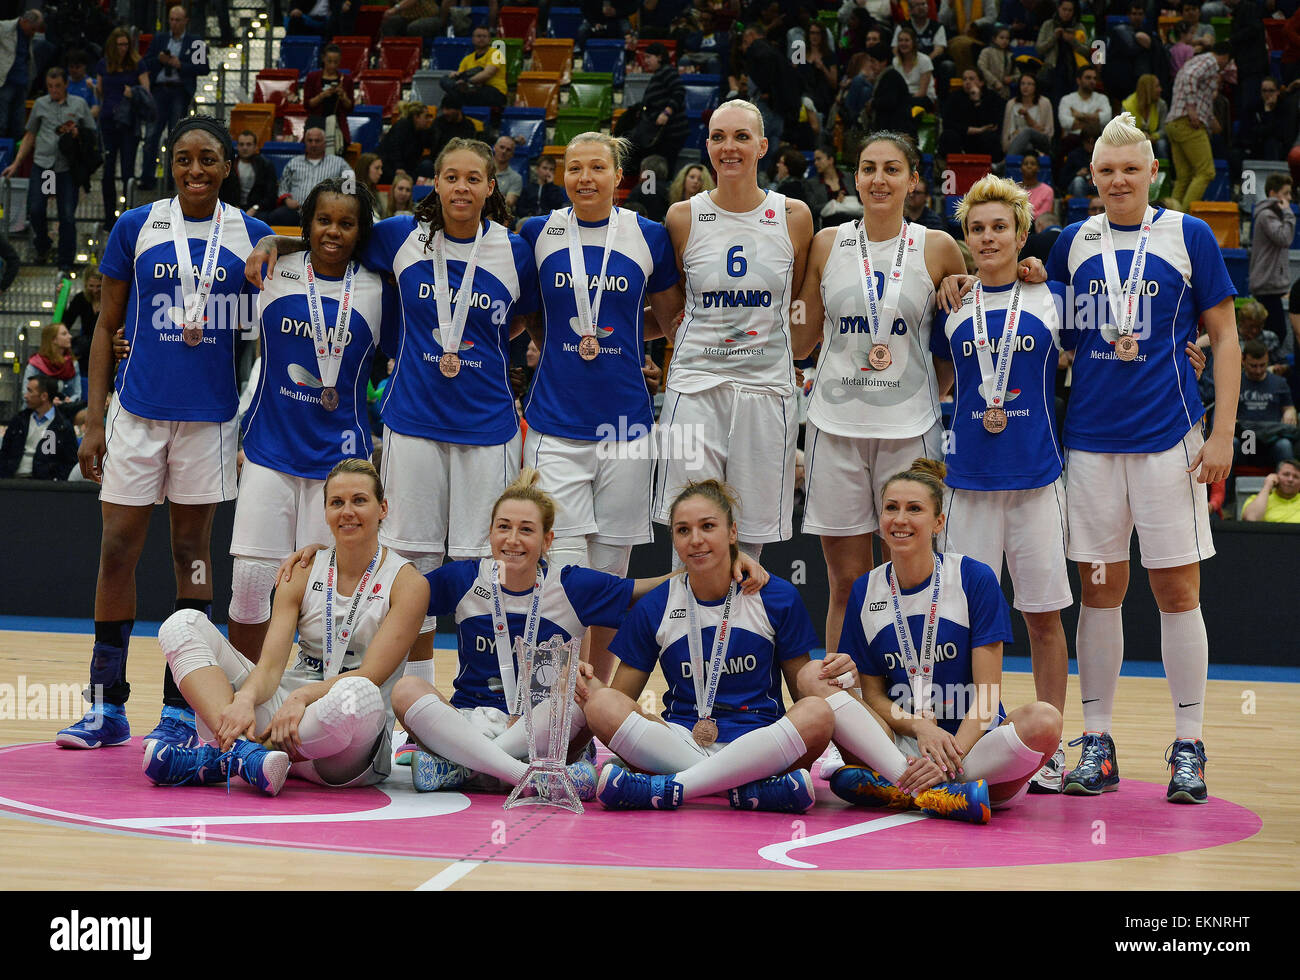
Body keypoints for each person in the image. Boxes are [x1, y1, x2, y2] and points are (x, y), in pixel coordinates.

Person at [246, 136, 539, 742]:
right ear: (435, 182)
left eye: (473, 179)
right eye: (450, 177)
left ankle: (491, 697)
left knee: (488, 568)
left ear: (491, 187)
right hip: (411, 425)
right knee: (419, 569)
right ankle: (414, 704)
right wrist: (278, 241)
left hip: (488, 428)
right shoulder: (402, 234)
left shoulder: (515, 249)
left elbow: (525, 317)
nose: (461, 188)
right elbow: (334, 242)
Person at [1042, 112, 1240, 805]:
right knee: (1100, 592)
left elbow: (1225, 337)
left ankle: (1189, 747)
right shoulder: (1072, 240)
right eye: (1106, 171)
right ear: (1091, 178)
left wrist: (1222, 436)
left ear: (1153, 172)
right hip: (1092, 448)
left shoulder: (1188, 234)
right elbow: (1049, 334)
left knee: (1177, 592)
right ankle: (1096, 743)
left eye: (1131, 168)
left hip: (1171, 446)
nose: (1119, 180)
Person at [59, 116, 273, 752]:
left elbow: (300, 259)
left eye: (208, 158)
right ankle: (106, 706)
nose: (195, 170)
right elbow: (106, 327)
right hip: (138, 416)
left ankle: (183, 708)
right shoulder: (136, 226)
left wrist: (278, 249)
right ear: (169, 164)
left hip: (207, 422)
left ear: (228, 164)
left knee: (192, 555)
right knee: (117, 550)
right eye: (183, 159)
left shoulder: (251, 233)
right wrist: (95, 418)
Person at [379, 470, 766, 793]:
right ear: (490, 534)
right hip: (472, 721)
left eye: (526, 529)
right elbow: (394, 590)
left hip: (542, 727)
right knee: (406, 690)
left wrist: (727, 558)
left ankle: (465, 767)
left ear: (547, 540)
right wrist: (320, 555)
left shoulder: (572, 585)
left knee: (583, 693)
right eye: (504, 528)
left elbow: (649, 590)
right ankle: (521, 775)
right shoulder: (463, 578)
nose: (513, 539)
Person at [790, 131, 967, 700]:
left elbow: (954, 345)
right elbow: (801, 341)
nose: (879, 180)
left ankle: (923, 701)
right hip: (835, 430)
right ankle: (844, 712)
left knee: (917, 579)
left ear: (914, 179)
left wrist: (917, 394)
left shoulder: (938, 246)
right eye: (868, 168)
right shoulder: (826, 242)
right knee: (847, 582)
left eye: (893, 169)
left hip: (910, 432)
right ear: (855, 177)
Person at [800, 458, 1063, 821]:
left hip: (971, 744)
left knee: (1045, 720)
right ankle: (939, 794)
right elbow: (873, 694)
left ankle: (910, 786)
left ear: (938, 522)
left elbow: (987, 696)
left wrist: (948, 758)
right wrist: (920, 726)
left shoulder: (973, 578)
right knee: (812, 675)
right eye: (891, 508)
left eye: (915, 509)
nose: (900, 519)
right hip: (900, 740)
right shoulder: (867, 588)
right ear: (880, 520)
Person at [143, 460, 428, 795]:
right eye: (336, 502)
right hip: (286, 716)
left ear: (382, 509)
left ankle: (225, 757)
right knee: (182, 623)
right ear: (324, 512)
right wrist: (245, 700)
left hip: (347, 741)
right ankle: (247, 755)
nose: (347, 511)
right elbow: (270, 667)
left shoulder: (408, 583)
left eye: (359, 500)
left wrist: (301, 697)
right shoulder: (303, 569)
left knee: (359, 694)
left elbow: (372, 675)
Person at [517, 132, 684, 683]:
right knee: (560, 579)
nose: (584, 178)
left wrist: (631, 350)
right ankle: (551, 710)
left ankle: (595, 715)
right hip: (555, 427)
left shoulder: (648, 235)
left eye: (596, 168)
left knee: (612, 579)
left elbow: (666, 319)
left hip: (626, 431)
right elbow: (535, 316)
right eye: (573, 168)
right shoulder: (537, 233)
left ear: (618, 177)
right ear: (562, 176)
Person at [217, 178, 391, 662]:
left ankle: (316, 695)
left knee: (326, 596)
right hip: (270, 452)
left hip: (340, 468)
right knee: (251, 586)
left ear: (361, 231)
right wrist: (272, 241)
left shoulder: (379, 288)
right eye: (323, 220)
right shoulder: (273, 269)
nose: (333, 231)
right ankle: (243, 702)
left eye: (346, 223)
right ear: (306, 224)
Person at [582, 478, 834, 812]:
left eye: (708, 526)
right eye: (683, 530)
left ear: (732, 532)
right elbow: (621, 699)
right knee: (600, 704)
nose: (696, 539)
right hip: (679, 739)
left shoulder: (776, 596)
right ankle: (744, 791)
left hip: (757, 743)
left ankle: (674, 788)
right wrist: (586, 685)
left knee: (818, 713)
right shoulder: (656, 606)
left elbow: (804, 694)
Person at [653, 99, 815, 563]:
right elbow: (678, 305)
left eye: (742, 137)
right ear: (706, 146)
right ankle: (685, 632)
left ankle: (737, 635)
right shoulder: (682, 216)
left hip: (765, 388)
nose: (730, 147)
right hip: (696, 386)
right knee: (691, 528)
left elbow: (797, 303)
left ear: (763, 146)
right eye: (719, 137)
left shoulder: (794, 215)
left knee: (751, 535)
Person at [2, 67, 96, 275]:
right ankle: (43, 245)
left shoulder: (79, 105)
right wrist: (16, 163)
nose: (54, 90)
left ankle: (65, 261)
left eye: (58, 86)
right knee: (36, 209)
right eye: (50, 86)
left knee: (67, 216)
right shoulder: (40, 104)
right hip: (45, 168)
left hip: (66, 169)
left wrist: (78, 133)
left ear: (65, 85)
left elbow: (92, 133)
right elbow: (30, 135)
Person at [140, 6, 209, 193]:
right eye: (171, 19)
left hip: (179, 90)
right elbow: (145, 63)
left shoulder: (195, 42)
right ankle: (147, 178)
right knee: (151, 135)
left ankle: (174, 179)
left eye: (178, 20)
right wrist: (161, 60)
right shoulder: (159, 39)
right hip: (159, 91)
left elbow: (203, 67)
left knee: (176, 137)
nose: (174, 23)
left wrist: (180, 65)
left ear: (186, 21)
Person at [1165, 43, 1232, 211]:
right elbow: (1190, 77)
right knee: (1206, 172)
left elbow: (1202, 98)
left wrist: (1211, 121)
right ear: (1225, 57)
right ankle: (1184, 219)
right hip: (1188, 123)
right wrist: (1192, 109)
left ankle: (1170, 220)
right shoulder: (1211, 62)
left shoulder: (1195, 61)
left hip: (1174, 123)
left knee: (1184, 177)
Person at [265, 125, 350, 226]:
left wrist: (339, 202)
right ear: (305, 142)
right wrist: (287, 200)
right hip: (296, 211)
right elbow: (283, 186)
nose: (313, 144)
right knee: (275, 217)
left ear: (325, 143)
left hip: (328, 211)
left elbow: (350, 186)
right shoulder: (294, 162)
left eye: (317, 141)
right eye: (310, 140)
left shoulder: (339, 163)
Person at [625, 42, 688, 174]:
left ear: (659, 57)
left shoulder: (668, 71)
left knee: (663, 170)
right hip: (661, 134)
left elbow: (679, 92)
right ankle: (651, 191)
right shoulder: (659, 74)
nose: (645, 61)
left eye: (648, 57)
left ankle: (658, 192)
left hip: (671, 133)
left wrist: (666, 112)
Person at [1248, 175, 1296, 345]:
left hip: (1270, 285)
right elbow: (1284, 238)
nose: (1289, 198)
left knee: (1275, 334)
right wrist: (1289, 214)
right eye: (1286, 193)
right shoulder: (1267, 215)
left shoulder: (1272, 214)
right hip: (1266, 285)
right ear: (1273, 193)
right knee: (1276, 334)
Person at [0, 376, 78, 479]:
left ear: (44, 396)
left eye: (30, 391)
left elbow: (70, 463)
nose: (25, 396)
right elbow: (4, 452)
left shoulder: (63, 428)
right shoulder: (19, 420)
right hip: (12, 481)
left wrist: (55, 482)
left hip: (43, 486)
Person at [1235, 340, 1297, 468]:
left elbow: (1289, 407)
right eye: (1253, 366)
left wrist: (1290, 412)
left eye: (1262, 365)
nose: (1258, 370)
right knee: (1231, 444)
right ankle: (1224, 489)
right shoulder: (1235, 382)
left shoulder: (1279, 382)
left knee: (1284, 445)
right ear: (1243, 360)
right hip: (1246, 438)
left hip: (1271, 439)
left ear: (1268, 360)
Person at [940, 67, 1005, 159]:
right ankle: (951, 167)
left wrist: (977, 101)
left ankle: (992, 168)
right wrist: (974, 130)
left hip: (983, 138)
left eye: (971, 79)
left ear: (981, 82)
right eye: (964, 79)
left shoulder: (992, 97)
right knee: (948, 136)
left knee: (990, 138)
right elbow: (947, 123)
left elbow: (992, 124)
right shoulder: (954, 97)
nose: (967, 82)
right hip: (962, 136)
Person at [302, 44, 355, 155]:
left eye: (335, 62)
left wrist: (343, 96)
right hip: (316, 122)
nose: (332, 65)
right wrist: (322, 95)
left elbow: (350, 107)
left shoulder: (346, 80)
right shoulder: (312, 77)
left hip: (337, 125)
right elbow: (307, 104)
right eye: (329, 61)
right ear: (323, 59)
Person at [0, 11, 44, 140]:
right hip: (5, 83)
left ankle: (14, 157)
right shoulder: (3, 28)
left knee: (18, 126)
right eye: (32, 29)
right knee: (1, 123)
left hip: (22, 84)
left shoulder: (28, 35)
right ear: (24, 21)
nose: (33, 33)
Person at [442, 26, 507, 109]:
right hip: (471, 90)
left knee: (454, 96)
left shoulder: (496, 53)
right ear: (472, 39)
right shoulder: (467, 59)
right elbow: (460, 77)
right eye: (479, 36)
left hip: (494, 91)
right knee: (444, 80)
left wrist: (467, 82)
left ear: (490, 40)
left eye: (485, 36)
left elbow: (487, 74)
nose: (482, 39)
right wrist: (455, 75)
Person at [219, 130, 278, 218]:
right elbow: (224, 191)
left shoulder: (266, 165)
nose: (245, 148)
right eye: (241, 144)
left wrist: (255, 208)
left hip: (258, 209)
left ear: (255, 147)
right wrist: (234, 207)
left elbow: (271, 194)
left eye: (248, 144)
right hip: (233, 207)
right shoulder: (229, 166)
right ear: (237, 146)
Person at [24, 322, 82, 407]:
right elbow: (26, 392)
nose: (70, 336)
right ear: (53, 339)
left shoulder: (73, 364)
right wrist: (49, 401)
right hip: (39, 407)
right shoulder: (36, 363)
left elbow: (77, 393)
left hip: (65, 408)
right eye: (64, 334)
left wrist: (68, 401)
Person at [377, 101, 437, 183]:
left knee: (428, 166)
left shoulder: (421, 131)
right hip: (389, 166)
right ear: (416, 117)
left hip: (408, 168)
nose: (428, 120)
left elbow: (430, 145)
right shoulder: (402, 125)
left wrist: (431, 130)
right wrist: (399, 168)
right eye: (425, 117)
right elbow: (394, 149)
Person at [1002, 71, 1054, 158]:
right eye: (1022, 84)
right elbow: (1008, 131)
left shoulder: (1045, 103)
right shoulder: (1011, 104)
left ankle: (1004, 164)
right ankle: (1006, 165)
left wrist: (1027, 117)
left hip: (1041, 142)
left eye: (1029, 84)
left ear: (1036, 87)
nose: (1025, 87)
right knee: (1027, 146)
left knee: (1028, 132)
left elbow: (1047, 130)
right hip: (1017, 141)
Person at [1058, 65, 1112, 143]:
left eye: (1094, 78)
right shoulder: (1066, 99)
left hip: (1097, 142)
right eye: (1088, 78)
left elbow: (1106, 119)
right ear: (1078, 80)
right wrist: (1095, 119)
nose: (1092, 81)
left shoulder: (1102, 99)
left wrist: (1080, 116)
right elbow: (1065, 123)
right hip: (1073, 141)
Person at [65, 263, 101, 379]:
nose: (95, 291)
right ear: (85, 284)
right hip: (86, 344)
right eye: (91, 286)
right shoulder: (80, 299)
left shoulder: (111, 299)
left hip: (105, 342)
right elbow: (66, 323)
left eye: (99, 286)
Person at [1241, 458, 1300, 522]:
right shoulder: (1256, 499)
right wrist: (1268, 485)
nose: (1290, 479)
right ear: (1276, 476)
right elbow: (1251, 519)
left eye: (1296, 477)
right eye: (1286, 474)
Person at [514, 154, 568, 222]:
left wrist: (550, 185)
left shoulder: (556, 190)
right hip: (529, 219)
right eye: (545, 168)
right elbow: (520, 209)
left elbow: (557, 206)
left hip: (549, 220)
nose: (548, 172)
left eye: (551, 169)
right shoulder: (528, 188)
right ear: (537, 169)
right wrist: (530, 213)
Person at [978, 24, 1018, 99]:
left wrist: (1011, 78)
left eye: (1007, 38)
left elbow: (1018, 74)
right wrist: (994, 82)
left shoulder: (1010, 55)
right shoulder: (987, 52)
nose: (1005, 41)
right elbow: (982, 67)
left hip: (1004, 93)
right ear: (994, 39)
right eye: (1001, 38)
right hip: (988, 90)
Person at [1018, 153, 1053, 221]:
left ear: (1038, 168)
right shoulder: (1013, 189)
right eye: (1025, 164)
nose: (1029, 166)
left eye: (1032, 164)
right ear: (1021, 168)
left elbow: (1044, 216)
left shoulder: (1047, 190)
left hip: (1038, 226)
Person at [491, 135, 522, 211]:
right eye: (501, 147)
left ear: (512, 154)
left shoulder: (516, 178)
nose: (504, 151)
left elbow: (508, 202)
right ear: (494, 147)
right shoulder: (482, 170)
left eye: (508, 150)